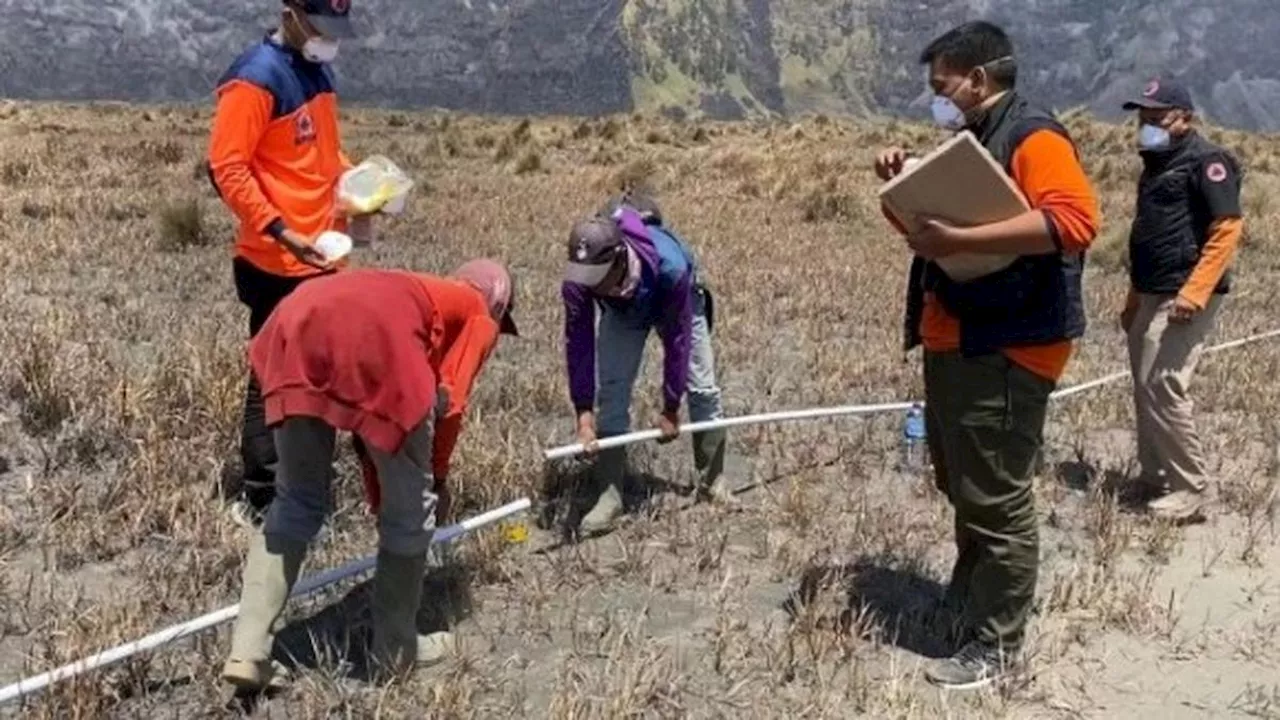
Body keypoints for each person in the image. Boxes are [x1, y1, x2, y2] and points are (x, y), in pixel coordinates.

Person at [874, 21, 1100, 689]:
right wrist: (901, 189)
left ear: (978, 78)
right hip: (960, 335)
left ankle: (995, 644)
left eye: (942, 86)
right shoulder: (970, 140)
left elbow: (1075, 222)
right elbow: (932, 236)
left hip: (1010, 343)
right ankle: (969, 600)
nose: (936, 98)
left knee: (996, 497)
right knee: (963, 484)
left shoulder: (1034, 135)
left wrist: (955, 237)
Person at [220, 259, 519, 693]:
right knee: (410, 513)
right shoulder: (478, 310)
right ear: (499, 300)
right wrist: (435, 478)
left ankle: (247, 652)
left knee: (296, 500)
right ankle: (395, 652)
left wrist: (381, 485)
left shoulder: (419, 285)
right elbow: (449, 403)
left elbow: (367, 428)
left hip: (296, 319)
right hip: (374, 338)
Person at [207, 0, 369, 528]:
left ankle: (302, 476)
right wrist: (280, 229)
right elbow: (227, 168)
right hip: (276, 258)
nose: (328, 36)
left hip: (320, 254)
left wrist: (359, 184)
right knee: (272, 377)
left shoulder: (317, 71)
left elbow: (322, 157)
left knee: (314, 370)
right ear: (290, 13)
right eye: (320, 25)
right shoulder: (255, 78)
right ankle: (260, 494)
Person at [562, 193, 732, 537]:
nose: (591, 286)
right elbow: (577, 343)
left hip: (676, 301)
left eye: (599, 278)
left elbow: (678, 340)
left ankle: (713, 480)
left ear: (620, 259)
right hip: (623, 315)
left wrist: (671, 406)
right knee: (612, 392)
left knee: (703, 387)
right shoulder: (579, 279)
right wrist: (583, 413)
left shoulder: (672, 269)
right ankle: (610, 494)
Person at [1119, 77, 1244, 521]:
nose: (1146, 124)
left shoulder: (1208, 162)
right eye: (1142, 116)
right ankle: (1155, 476)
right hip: (1152, 288)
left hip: (1187, 292)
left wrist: (1195, 291)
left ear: (1183, 118)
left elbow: (1227, 228)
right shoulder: (1155, 162)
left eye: (1157, 116)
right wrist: (1134, 299)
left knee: (1164, 383)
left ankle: (1191, 489)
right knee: (1143, 381)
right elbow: (1151, 235)